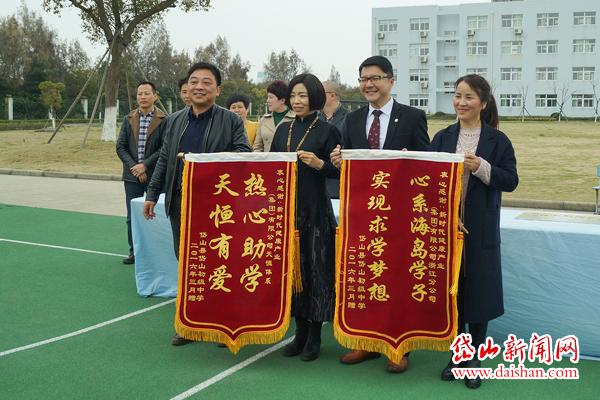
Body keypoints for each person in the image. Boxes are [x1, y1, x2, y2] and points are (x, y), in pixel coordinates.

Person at [330, 55, 430, 373]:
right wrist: (338, 160)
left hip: (399, 215)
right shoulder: (353, 120)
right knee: (365, 275)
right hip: (362, 215)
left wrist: (411, 160)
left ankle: (399, 348)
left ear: (390, 80)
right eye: (363, 79)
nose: (368, 84)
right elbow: (348, 162)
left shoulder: (412, 117)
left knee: (397, 278)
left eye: (375, 78)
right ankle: (366, 342)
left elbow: (427, 162)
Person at [143, 62, 251, 346]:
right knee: (189, 263)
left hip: (218, 207)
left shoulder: (231, 120)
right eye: (194, 81)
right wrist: (152, 193)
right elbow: (165, 158)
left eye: (206, 82)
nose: (199, 87)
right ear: (187, 87)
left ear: (217, 89)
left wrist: (205, 164)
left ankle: (223, 324)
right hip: (181, 203)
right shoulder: (175, 120)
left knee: (220, 264)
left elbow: (244, 155)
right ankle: (191, 324)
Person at [431, 74, 518, 389]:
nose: (461, 102)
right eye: (457, 95)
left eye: (468, 97)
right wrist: (447, 217)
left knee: (479, 294)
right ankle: (457, 355)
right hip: (447, 229)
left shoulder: (498, 140)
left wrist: (481, 166)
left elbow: (510, 180)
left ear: (482, 102)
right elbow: (427, 184)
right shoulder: (442, 138)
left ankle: (475, 359)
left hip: (480, 229)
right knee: (452, 294)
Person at [270, 73, 341, 361]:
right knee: (293, 274)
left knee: (317, 274)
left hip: (316, 212)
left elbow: (341, 171)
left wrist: (320, 163)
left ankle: (314, 336)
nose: (297, 101)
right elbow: (269, 168)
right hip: (287, 212)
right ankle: (299, 333)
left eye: (303, 95)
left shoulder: (327, 131)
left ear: (315, 97)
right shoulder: (282, 130)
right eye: (293, 95)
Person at [116, 81, 166, 265]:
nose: (143, 97)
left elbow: (164, 148)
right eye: (139, 94)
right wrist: (136, 168)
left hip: (156, 175)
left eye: (146, 93)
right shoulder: (128, 118)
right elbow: (120, 147)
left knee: (158, 214)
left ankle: (160, 251)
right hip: (132, 176)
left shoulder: (164, 119)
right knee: (133, 216)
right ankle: (135, 252)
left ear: (155, 96)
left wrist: (145, 165)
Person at [319, 81, 348, 200]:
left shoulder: (349, 119)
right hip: (317, 183)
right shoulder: (316, 119)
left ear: (332, 95)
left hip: (339, 184)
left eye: (320, 93)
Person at [253, 80, 294, 152]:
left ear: (282, 100)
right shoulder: (264, 120)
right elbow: (257, 147)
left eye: (271, 97)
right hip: (267, 159)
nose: (267, 101)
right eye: (267, 97)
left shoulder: (295, 119)